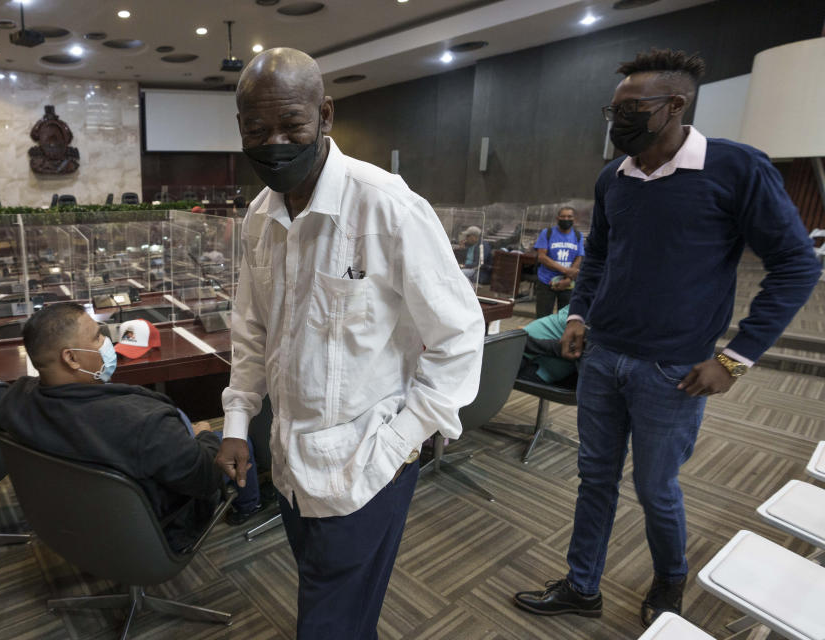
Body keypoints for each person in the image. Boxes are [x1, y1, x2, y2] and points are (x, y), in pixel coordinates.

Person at [515, 49, 821, 627]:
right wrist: (578, 316)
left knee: (656, 490)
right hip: (604, 357)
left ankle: (669, 581)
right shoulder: (614, 178)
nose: (617, 119)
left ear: (675, 105)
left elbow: (796, 265)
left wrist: (735, 360)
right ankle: (582, 586)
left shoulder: (736, 168)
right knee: (594, 479)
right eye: (614, 107)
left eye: (633, 108)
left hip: (674, 371)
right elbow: (599, 256)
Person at [216, 48, 485, 639]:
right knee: (331, 601)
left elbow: (460, 337)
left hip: (368, 464)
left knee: (329, 622)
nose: (276, 142)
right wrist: (238, 422)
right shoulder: (259, 216)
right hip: (289, 461)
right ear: (239, 129)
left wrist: (398, 444)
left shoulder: (386, 205)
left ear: (326, 114)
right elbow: (252, 329)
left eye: (292, 124)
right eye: (257, 129)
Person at [0, 303, 263, 551]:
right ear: (72, 358)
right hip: (152, 533)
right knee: (236, 442)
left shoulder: (14, 403)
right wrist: (204, 435)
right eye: (97, 336)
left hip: (71, 525)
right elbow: (205, 478)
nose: (106, 342)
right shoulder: (144, 424)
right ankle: (248, 505)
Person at [533, 206, 584, 318]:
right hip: (546, 282)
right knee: (543, 318)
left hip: (567, 284)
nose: (566, 219)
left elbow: (579, 257)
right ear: (557, 218)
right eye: (563, 216)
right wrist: (566, 271)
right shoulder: (547, 233)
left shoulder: (578, 236)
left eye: (569, 216)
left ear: (574, 219)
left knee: (565, 318)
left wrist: (568, 279)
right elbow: (542, 257)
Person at [518, 305, 577, 386]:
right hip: (528, 350)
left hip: (539, 364)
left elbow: (572, 348)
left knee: (498, 368)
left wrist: (525, 341)